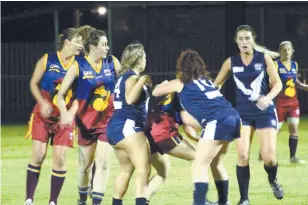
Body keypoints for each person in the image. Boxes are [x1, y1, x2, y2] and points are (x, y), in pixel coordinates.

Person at [152, 49, 241, 205]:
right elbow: (189, 118)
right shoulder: (206, 82)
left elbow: (155, 92)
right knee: (216, 163)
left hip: (217, 121)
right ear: (200, 66)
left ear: (181, 68)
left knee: (199, 165)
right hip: (234, 118)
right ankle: (224, 202)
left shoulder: (179, 84)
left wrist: (165, 84)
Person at [214, 25, 284, 205]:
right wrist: (216, 102)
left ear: (253, 39)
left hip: (264, 113)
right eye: (240, 39)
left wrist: (268, 98)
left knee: (269, 156)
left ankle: (273, 180)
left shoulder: (264, 58)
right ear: (236, 42)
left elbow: (277, 85)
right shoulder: (231, 62)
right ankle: (244, 199)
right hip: (242, 114)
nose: (244, 42)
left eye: (247, 38)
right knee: (242, 155)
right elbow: (217, 84)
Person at [57, 26, 121, 205]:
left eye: (108, 44)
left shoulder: (112, 62)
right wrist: (65, 112)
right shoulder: (78, 66)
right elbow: (61, 94)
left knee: (103, 162)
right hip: (85, 123)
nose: (107, 48)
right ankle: (82, 200)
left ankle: (96, 203)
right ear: (93, 47)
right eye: (104, 44)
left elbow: (125, 83)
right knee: (85, 166)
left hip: (107, 122)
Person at [24, 28, 83, 205]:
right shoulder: (47, 60)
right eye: (78, 41)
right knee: (38, 155)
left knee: (60, 158)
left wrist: (70, 114)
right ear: (67, 42)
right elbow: (33, 83)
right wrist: (42, 102)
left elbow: (82, 96)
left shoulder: (79, 65)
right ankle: (29, 199)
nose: (81, 45)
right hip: (43, 115)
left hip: (64, 118)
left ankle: (53, 201)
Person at [106, 42, 151, 205]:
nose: (146, 59)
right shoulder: (132, 77)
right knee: (143, 169)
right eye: (145, 56)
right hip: (128, 126)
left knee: (126, 170)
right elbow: (130, 99)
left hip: (116, 128)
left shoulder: (121, 78)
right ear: (138, 58)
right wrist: (142, 80)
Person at [145, 93, 198, 205]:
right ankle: (199, 199)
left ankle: (142, 201)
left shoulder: (163, 91)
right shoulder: (182, 96)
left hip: (146, 135)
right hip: (163, 134)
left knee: (162, 171)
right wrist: (202, 139)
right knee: (198, 158)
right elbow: (188, 130)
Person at [275, 41, 308, 164]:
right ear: (280, 51)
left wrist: (304, 86)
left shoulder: (295, 64)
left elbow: (295, 82)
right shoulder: (276, 65)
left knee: (294, 128)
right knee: (275, 131)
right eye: (284, 50)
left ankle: (293, 157)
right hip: (280, 102)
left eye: (289, 49)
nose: (287, 52)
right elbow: (271, 82)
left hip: (293, 103)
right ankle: (266, 153)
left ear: (292, 51)